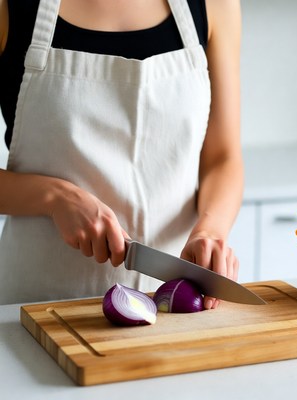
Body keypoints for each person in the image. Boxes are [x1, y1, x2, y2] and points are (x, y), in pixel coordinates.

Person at [0, 0, 243, 307]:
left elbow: (223, 157)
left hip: (175, 305)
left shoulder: (215, 5)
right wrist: (55, 197)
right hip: (39, 306)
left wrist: (210, 230)